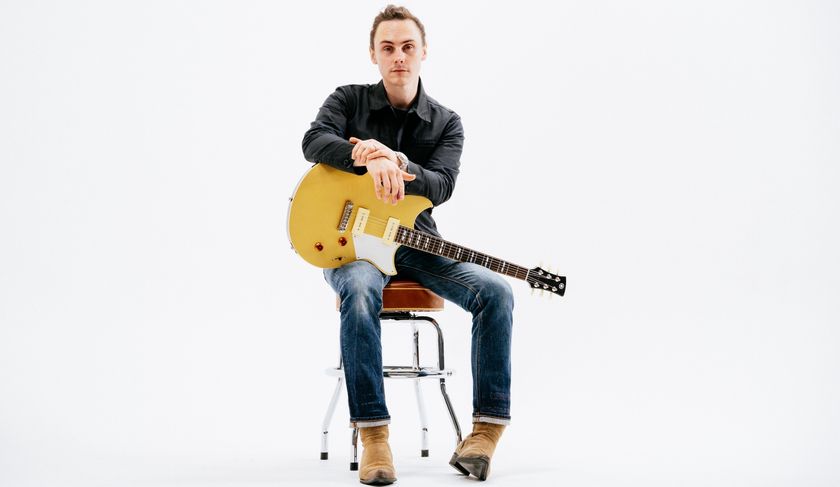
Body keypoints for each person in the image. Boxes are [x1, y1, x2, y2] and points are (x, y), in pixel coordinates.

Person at [302, 5, 514, 484]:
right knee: (358, 291)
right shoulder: (347, 99)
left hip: (414, 244)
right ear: (374, 55)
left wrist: (394, 161)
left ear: (423, 52)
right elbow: (314, 141)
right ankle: (374, 437)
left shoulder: (446, 122)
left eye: (407, 47)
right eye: (388, 47)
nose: (399, 56)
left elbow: (441, 186)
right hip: (352, 245)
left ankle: (484, 435)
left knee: (497, 292)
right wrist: (364, 153)